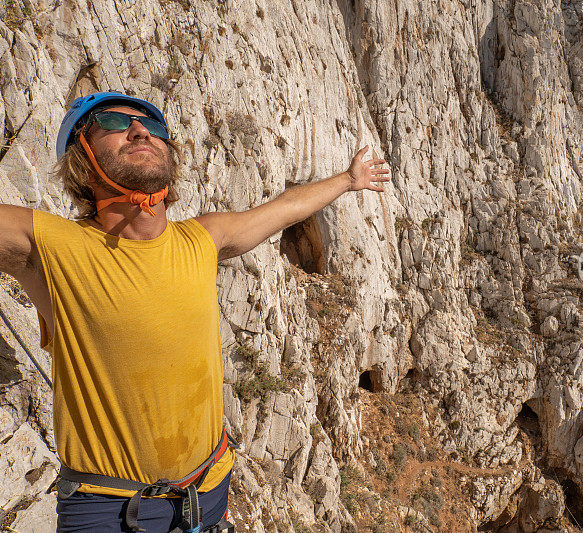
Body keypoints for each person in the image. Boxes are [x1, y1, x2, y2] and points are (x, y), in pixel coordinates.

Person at [0, 91, 391, 532]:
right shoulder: (52, 247)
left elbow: (282, 210)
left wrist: (347, 179)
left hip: (206, 494)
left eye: (154, 128)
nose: (139, 130)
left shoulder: (201, 239)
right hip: (108, 510)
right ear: (81, 159)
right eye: (111, 123)